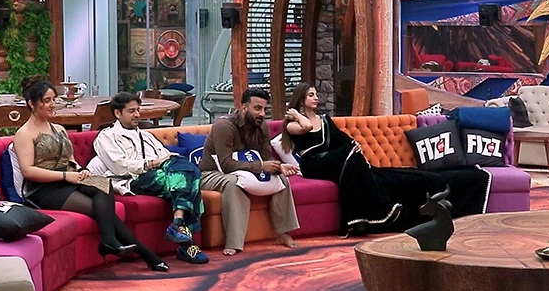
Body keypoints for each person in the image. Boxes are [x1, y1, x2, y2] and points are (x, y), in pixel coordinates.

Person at [281, 83, 490, 237]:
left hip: (334, 160)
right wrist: (296, 114)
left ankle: (372, 210)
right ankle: (381, 208)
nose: (316, 98)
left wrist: (354, 144)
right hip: (314, 164)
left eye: (316, 94)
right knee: (349, 154)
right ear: (300, 99)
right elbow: (307, 128)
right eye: (311, 95)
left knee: (379, 167)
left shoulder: (325, 120)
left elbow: (341, 139)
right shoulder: (292, 123)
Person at [13, 76, 168, 272]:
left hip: (68, 179)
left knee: (104, 183)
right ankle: (145, 254)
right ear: (32, 104)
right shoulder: (24, 134)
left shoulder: (58, 129)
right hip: (43, 189)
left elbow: (69, 160)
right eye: (47, 100)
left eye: (54, 99)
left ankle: (110, 241)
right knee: (101, 210)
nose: (53, 104)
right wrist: (65, 176)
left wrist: (80, 170)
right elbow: (28, 171)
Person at [93, 92, 208, 265]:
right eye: (131, 111)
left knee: (186, 172)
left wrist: (169, 162)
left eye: (138, 110)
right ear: (117, 113)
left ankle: (178, 226)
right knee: (189, 180)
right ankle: (186, 243)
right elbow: (119, 166)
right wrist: (151, 164)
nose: (137, 114)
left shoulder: (146, 136)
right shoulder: (106, 137)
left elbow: (167, 157)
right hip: (132, 180)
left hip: (160, 174)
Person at [199, 87, 301, 256]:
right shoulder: (224, 127)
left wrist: (278, 167)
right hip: (212, 173)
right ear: (244, 107)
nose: (262, 114)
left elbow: (266, 158)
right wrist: (261, 167)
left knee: (282, 179)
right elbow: (226, 165)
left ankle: (283, 233)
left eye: (264, 109)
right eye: (257, 108)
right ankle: (234, 242)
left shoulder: (262, 127)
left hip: (245, 170)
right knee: (234, 183)